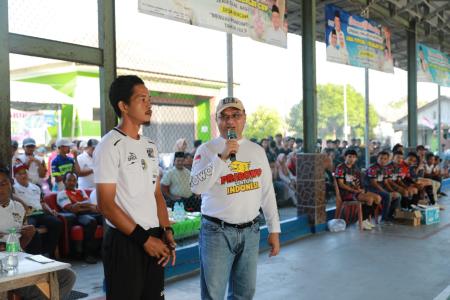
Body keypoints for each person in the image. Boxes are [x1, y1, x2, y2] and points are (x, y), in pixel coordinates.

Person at [94, 75, 175, 299]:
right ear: (123, 106)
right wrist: (144, 240)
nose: (149, 104)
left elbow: (157, 194)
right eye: (142, 99)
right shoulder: (109, 145)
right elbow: (106, 205)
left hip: (154, 238)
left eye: (149, 99)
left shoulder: (150, 145)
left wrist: (166, 231)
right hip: (126, 241)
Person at [191, 96, 280, 300]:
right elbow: (196, 187)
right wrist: (221, 157)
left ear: (244, 119)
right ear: (217, 120)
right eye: (224, 116)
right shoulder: (206, 150)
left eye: (236, 115)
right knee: (213, 294)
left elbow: (267, 192)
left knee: (245, 294)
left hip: (251, 232)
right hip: (216, 233)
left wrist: (274, 229)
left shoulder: (257, 151)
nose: (230, 121)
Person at [0, 166, 76, 300]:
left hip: (18, 261)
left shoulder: (18, 208)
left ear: (10, 184)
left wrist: (27, 236)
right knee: (42, 293)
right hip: (3, 268)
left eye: (3, 183)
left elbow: (19, 246)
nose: (0, 188)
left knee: (67, 276)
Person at [13, 163, 62, 257]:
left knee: (57, 223)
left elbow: (42, 202)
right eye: (20, 174)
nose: (23, 175)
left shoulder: (35, 187)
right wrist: (23, 204)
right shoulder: (14, 188)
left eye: (25, 173)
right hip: (27, 215)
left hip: (40, 213)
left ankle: (47, 251)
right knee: (32, 230)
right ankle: (35, 256)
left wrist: (50, 210)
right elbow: (12, 197)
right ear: (15, 176)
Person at [57, 172, 102, 264]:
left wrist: (79, 204)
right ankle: (88, 254)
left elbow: (88, 203)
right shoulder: (62, 194)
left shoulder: (80, 191)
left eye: (74, 180)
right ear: (64, 182)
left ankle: (106, 249)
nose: (72, 182)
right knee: (91, 221)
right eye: (69, 180)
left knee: (105, 217)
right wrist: (86, 206)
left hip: (88, 213)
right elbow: (72, 209)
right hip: (76, 216)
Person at [335, 149, 380, 229]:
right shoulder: (340, 168)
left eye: (354, 157)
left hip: (355, 192)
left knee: (378, 198)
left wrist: (360, 189)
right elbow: (341, 184)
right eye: (349, 157)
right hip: (346, 194)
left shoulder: (355, 168)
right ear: (345, 157)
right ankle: (361, 221)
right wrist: (354, 190)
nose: (352, 159)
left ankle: (364, 220)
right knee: (369, 199)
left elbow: (357, 182)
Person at [365, 151, 401, 224]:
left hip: (380, 189)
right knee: (387, 195)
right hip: (371, 189)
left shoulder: (386, 169)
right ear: (377, 158)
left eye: (385, 159)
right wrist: (385, 192)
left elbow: (386, 182)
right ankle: (384, 219)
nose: (383, 160)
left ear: (388, 160)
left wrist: (392, 190)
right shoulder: (373, 168)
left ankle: (390, 216)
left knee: (398, 195)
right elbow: (374, 183)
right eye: (381, 158)